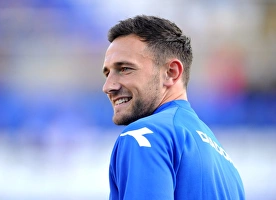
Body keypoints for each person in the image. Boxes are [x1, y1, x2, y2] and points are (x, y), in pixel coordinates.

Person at [102, 15, 245, 200]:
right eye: (107, 73)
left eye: (125, 69)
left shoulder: (145, 135)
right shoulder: (225, 164)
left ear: (171, 73)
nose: (108, 86)